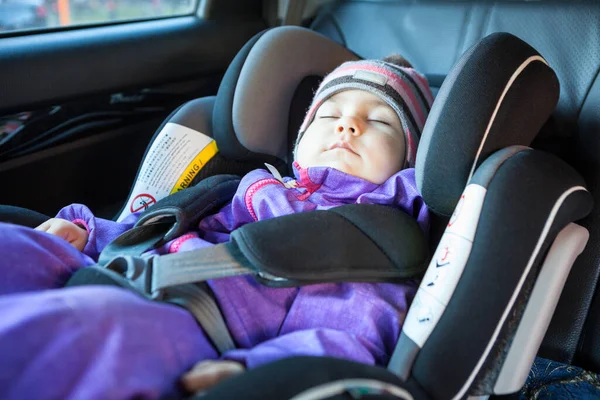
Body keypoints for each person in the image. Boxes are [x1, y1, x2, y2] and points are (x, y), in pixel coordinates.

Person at [0, 56, 433, 399]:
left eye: (380, 121)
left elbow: (347, 336)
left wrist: (255, 370)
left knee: (69, 337)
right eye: (329, 114)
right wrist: (92, 233)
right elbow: (158, 228)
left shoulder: (375, 242)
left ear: (410, 161)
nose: (347, 124)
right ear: (300, 143)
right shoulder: (246, 189)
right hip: (124, 266)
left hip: (192, 324)